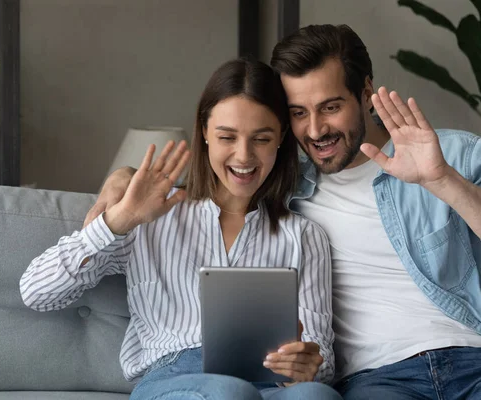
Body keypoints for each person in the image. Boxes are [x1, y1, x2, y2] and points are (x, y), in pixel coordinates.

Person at [96, 25, 481, 400]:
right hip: (378, 379)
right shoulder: (284, 184)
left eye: (330, 107)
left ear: (366, 92)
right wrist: (122, 176)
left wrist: (442, 180)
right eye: (298, 113)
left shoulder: (452, 154)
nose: (315, 129)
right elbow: (208, 186)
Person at [20, 58, 342, 400]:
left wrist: (306, 367)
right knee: (227, 392)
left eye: (261, 139)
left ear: (280, 138)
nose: (244, 156)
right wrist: (118, 220)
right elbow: (36, 293)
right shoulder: (149, 216)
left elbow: (321, 357)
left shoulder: (305, 237)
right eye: (227, 137)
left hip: (267, 383)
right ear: (204, 132)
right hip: (174, 376)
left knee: (317, 397)